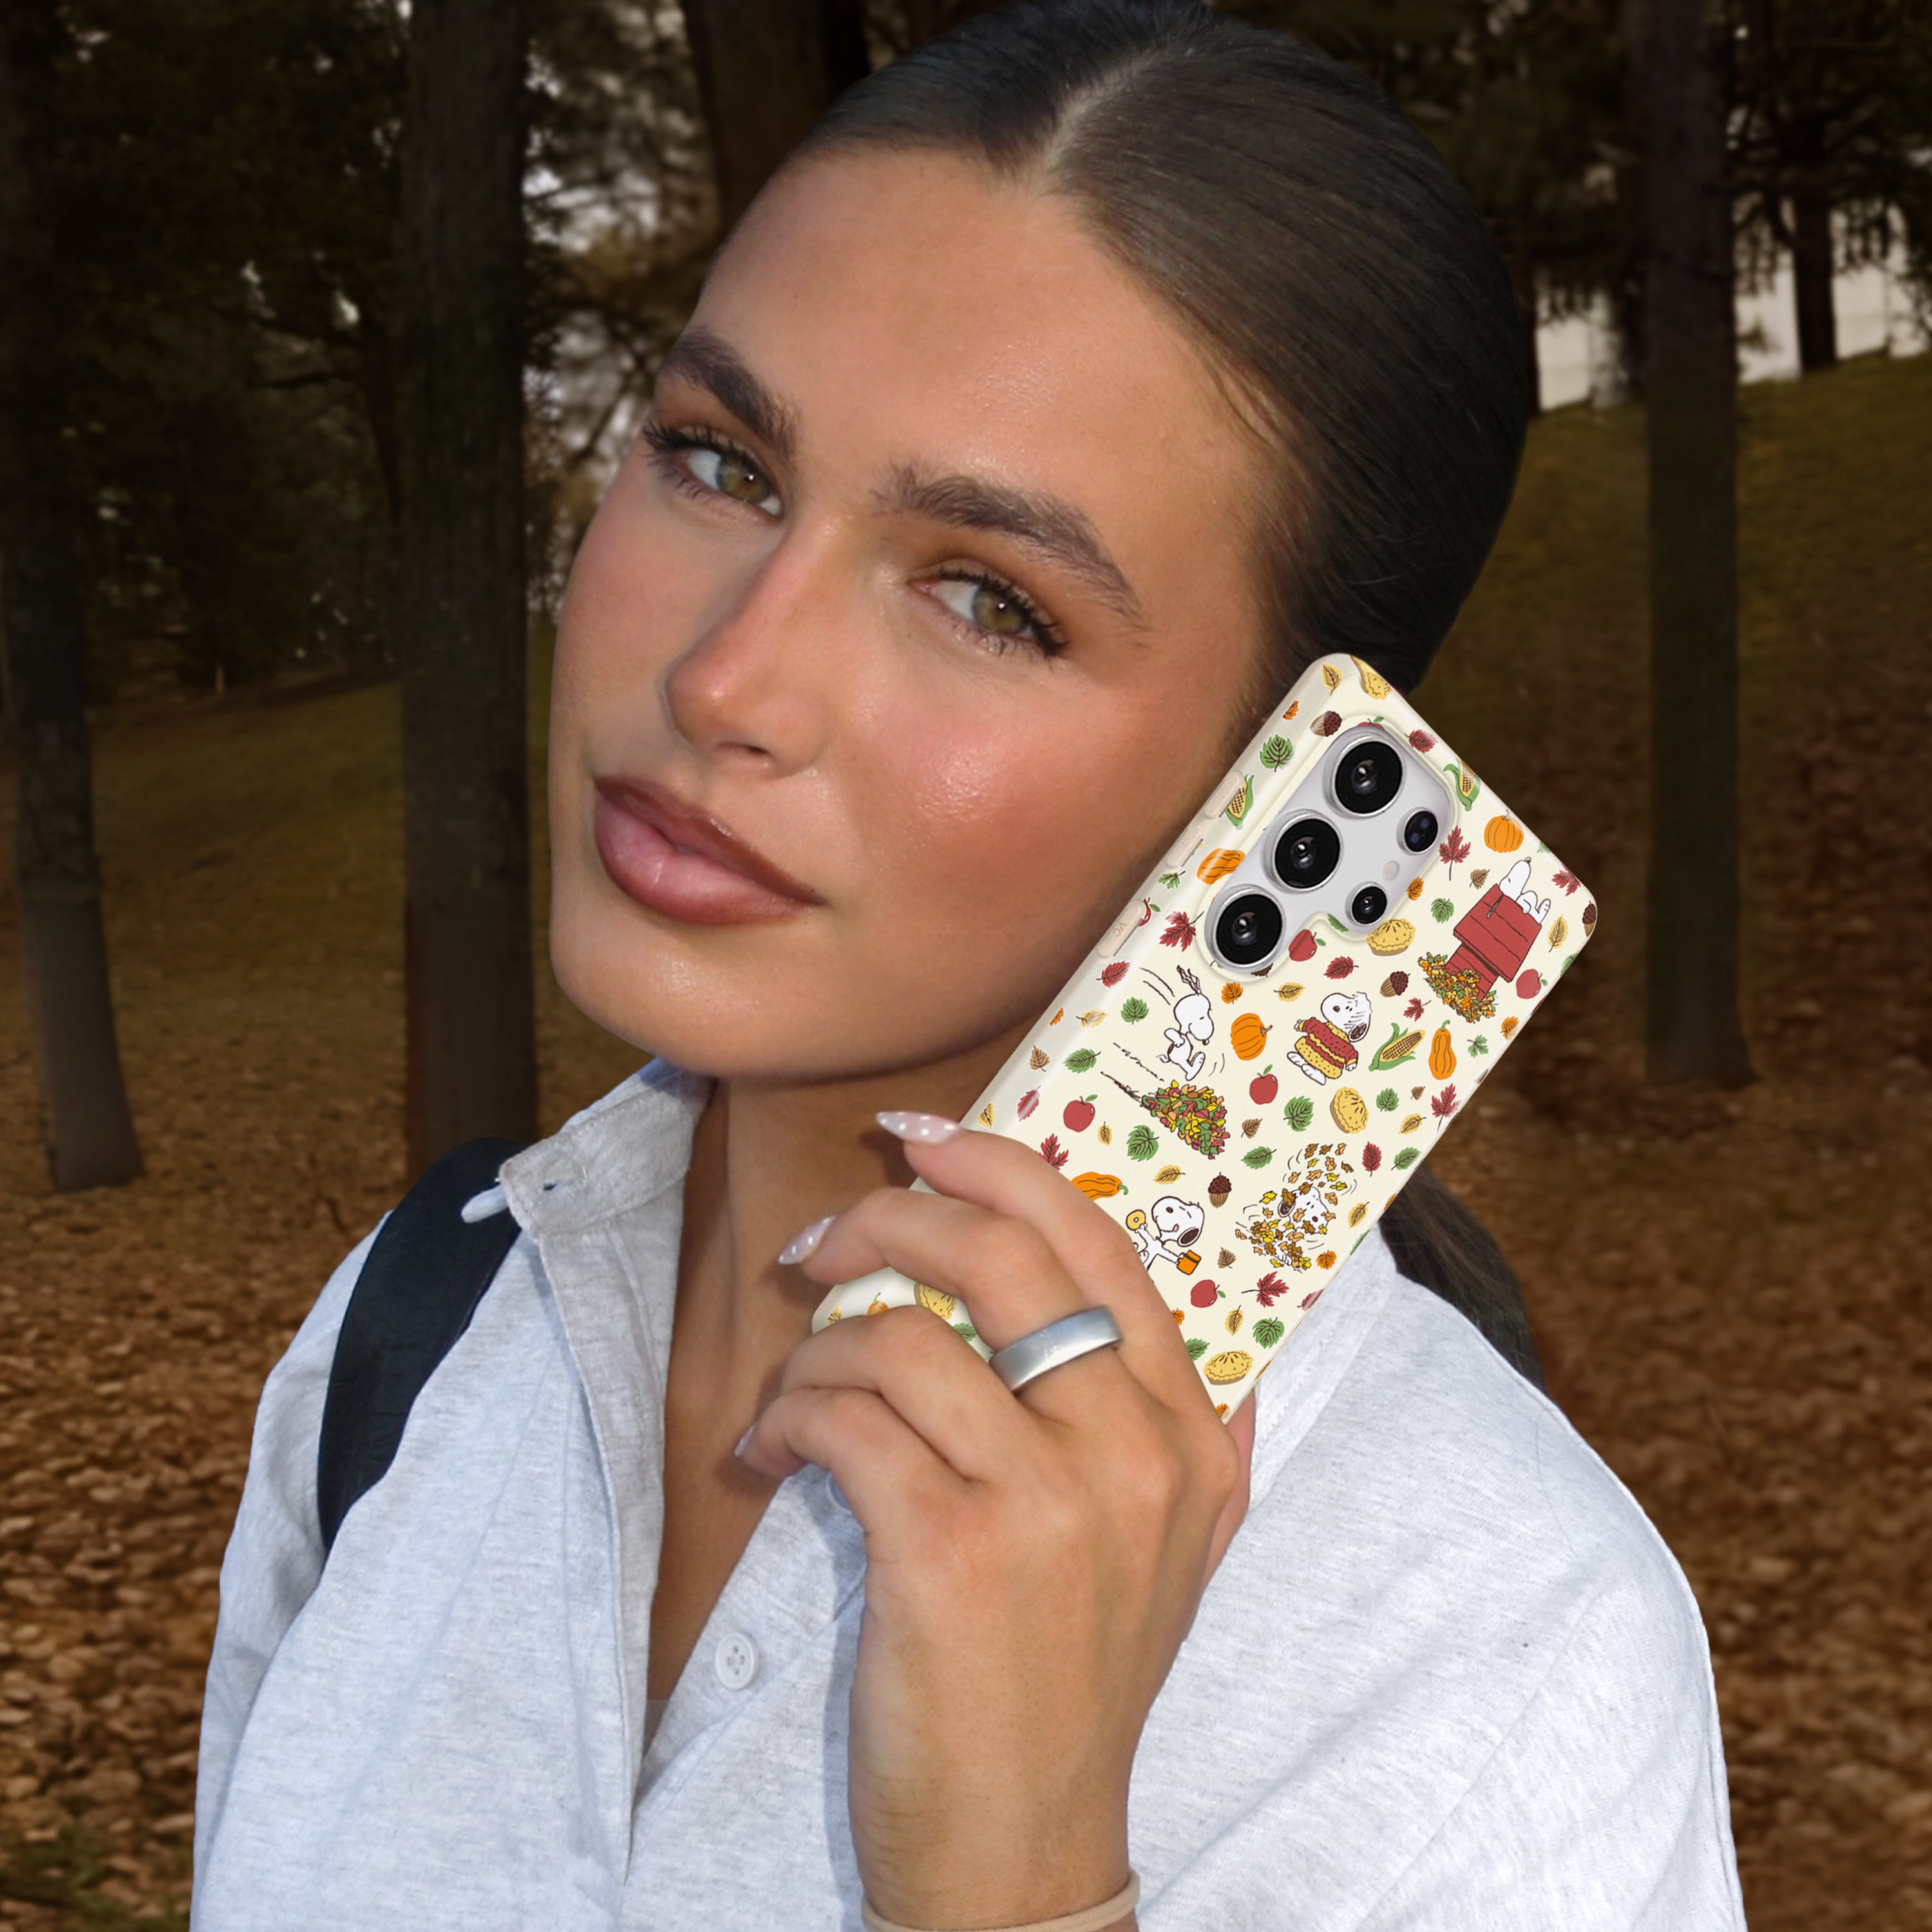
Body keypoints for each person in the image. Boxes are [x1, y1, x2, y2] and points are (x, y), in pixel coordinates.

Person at [190, 3, 1748, 1927]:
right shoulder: (414, 1335)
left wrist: (1022, 1891)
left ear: (1284, 782)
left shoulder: (1497, 1660)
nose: (723, 680)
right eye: (719, 463)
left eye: (991, 600)